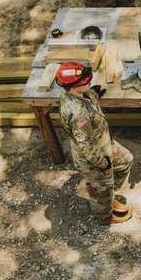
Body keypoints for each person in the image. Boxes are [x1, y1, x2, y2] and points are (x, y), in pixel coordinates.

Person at [55, 62, 134, 225]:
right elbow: (86, 144)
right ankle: (105, 215)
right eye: (84, 82)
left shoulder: (79, 94)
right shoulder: (79, 115)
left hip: (104, 144)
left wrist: (94, 95)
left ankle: (108, 194)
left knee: (125, 160)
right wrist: (101, 163)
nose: (88, 82)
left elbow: (88, 94)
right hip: (93, 158)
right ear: (73, 88)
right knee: (100, 188)